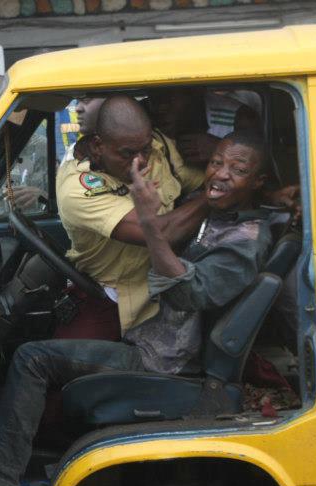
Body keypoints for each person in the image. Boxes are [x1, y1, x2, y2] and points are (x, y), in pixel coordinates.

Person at [0, 131, 272, 486]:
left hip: (165, 363)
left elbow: (189, 293)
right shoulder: (219, 217)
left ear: (258, 182)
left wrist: (151, 224)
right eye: (216, 163)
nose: (220, 174)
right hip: (153, 342)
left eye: (237, 170)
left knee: (33, 359)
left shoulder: (245, 238)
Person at [55, 95, 206, 338]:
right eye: (127, 153)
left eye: (145, 149)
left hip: (170, 288)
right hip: (113, 297)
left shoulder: (158, 148)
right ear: (97, 146)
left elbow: (202, 178)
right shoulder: (79, 189)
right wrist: (213, 198)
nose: (141, 160)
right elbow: (160, 233)